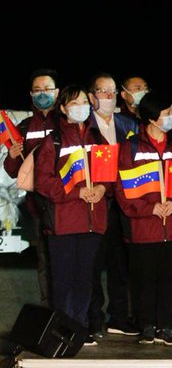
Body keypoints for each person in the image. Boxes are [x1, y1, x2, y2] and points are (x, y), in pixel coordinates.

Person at [115, 91, 172, 346]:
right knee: (144, 279)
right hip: (144, 228)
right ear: (151, 118)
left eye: (171, 112)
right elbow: (124, 189)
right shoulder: (132, 147)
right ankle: (147, 325)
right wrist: (149, 209)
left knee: (170, 279)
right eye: (167, 113)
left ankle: (166, 326)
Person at [34, 84, 110, 346]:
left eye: (84, 102)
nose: (81, 108)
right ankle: (62, 329)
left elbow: (109, 176)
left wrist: (101, 187)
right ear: (64, 108)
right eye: (74, 103)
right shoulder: (53, 141)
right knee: (63, 279)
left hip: (93, 220)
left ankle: (79, 327)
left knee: (85, 278)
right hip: (64, 221)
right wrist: (76, 193)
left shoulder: (98, 139)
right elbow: (43, 182)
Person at [85, 73, 139, 339]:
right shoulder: (83, 126)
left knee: (121, 264)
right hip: (95, 204)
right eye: (102, 91)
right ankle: (93, 318)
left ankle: (119, 316)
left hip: (124, 204)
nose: (108, 96)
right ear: (92, 96)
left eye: (112, 91)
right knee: (93, 264)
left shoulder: (128, 123)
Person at [3, 68, 60, 309]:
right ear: (31, 94)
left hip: (69, 204)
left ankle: (79, 316)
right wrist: (14, 156)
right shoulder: (25, 127)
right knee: (45, 260)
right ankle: (50, 312)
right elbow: (13, 170)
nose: (42, 94)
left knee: (72, 260)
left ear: (57, 92)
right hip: (39, 206)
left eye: (47, 89)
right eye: (37, 90)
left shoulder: (68, 122)